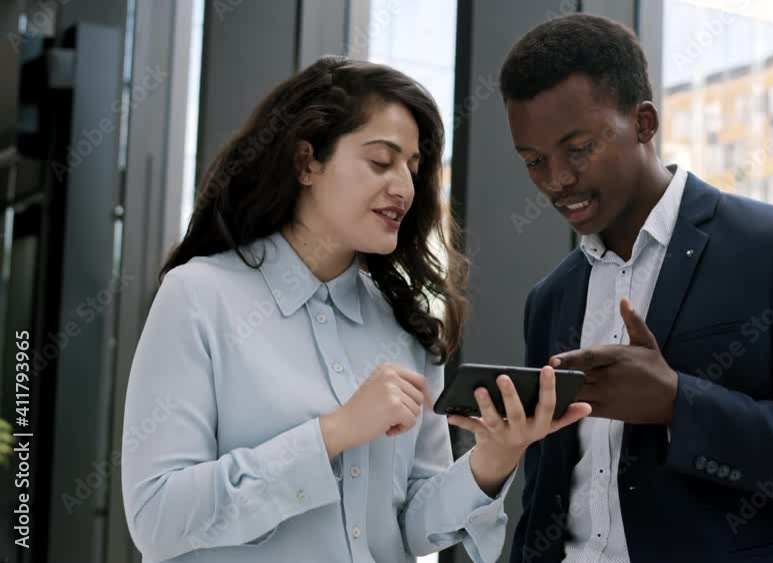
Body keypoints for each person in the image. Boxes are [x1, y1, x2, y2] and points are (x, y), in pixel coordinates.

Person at [121, 56, 587, 563]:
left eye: (412, 168)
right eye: (381, 161)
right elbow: (157, 518)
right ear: (306, 163)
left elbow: (409, 527)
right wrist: (335, 433)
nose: (405, 189)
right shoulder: (198, 297)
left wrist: (494, 458)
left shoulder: (406, 328)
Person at [500, 14, 773, 563]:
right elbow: (547, 496)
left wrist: (679, 404)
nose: (556, 180)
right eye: (534, 162)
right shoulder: (549, 298)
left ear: (643, 123)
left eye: (578, 149)